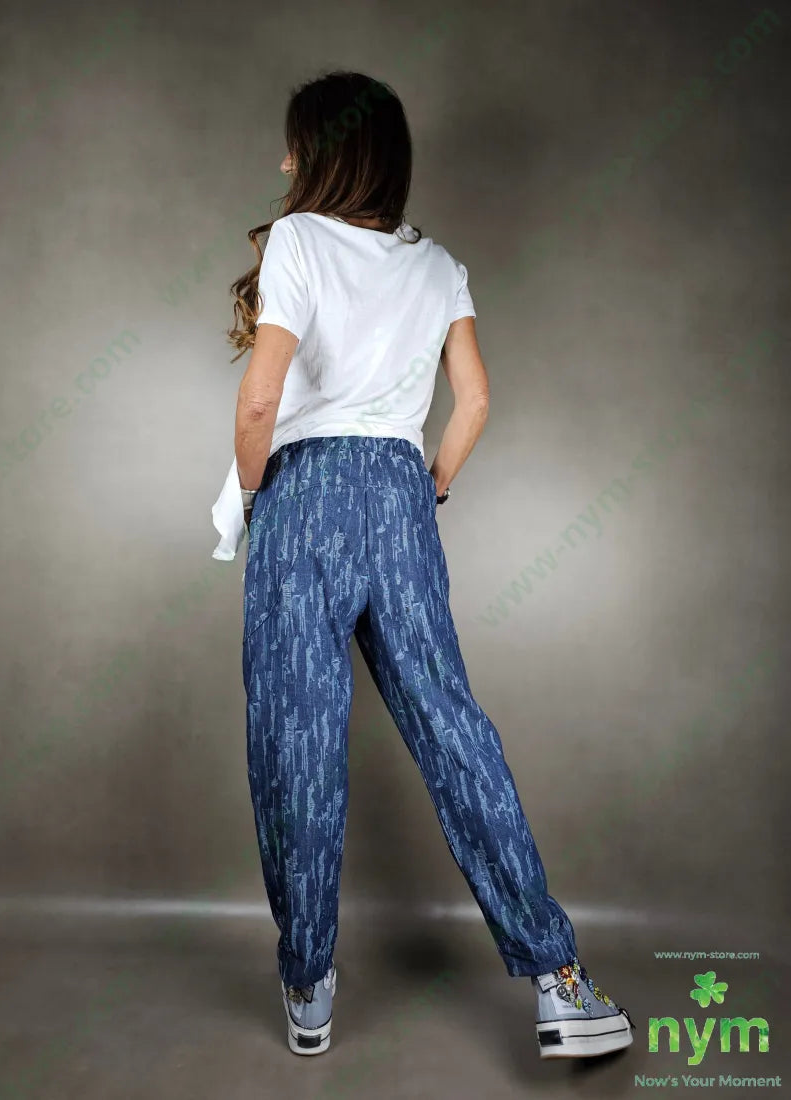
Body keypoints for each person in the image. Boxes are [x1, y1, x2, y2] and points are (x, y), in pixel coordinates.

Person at [210, 69, 635, 1062]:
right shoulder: (440, 265)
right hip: (402, 495)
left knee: (295, 742)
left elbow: (260, 400)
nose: (282, 161)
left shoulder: (299, 240)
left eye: (293, 144)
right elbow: (474, 401)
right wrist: (428, 485)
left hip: (304, 495)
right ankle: (562, 984)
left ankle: (308, 983)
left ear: (325, 153)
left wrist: (263, 497)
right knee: (452, 730)